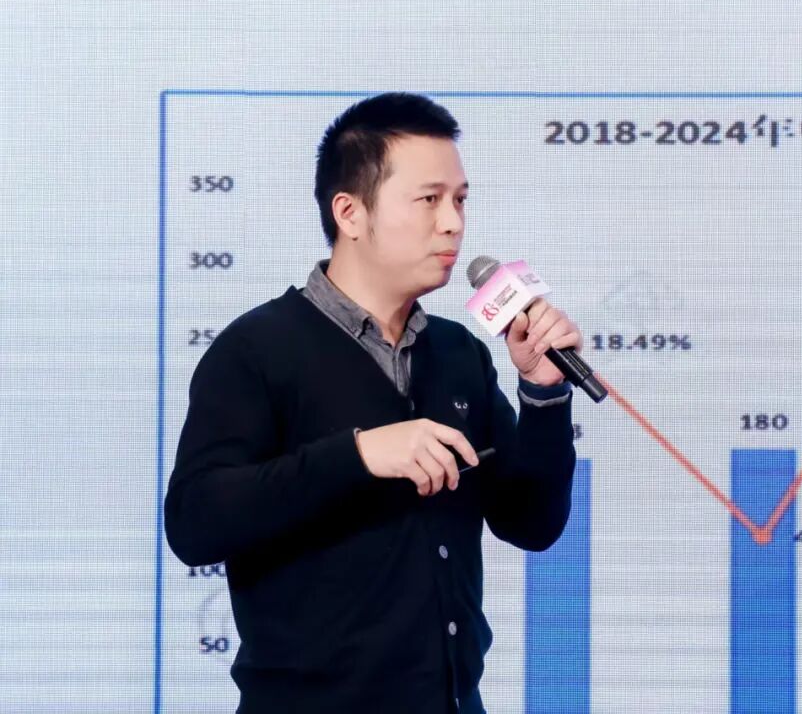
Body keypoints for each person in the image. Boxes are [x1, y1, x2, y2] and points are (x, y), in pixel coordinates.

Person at [164, 92, 580, 713]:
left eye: (460, 199)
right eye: (429, 199)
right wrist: (359, 456)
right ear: (350, 212)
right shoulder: (257, 348)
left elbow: (531, 523)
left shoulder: (458, 353)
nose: (453, 223)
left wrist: (544, 393)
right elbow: (195, 523)